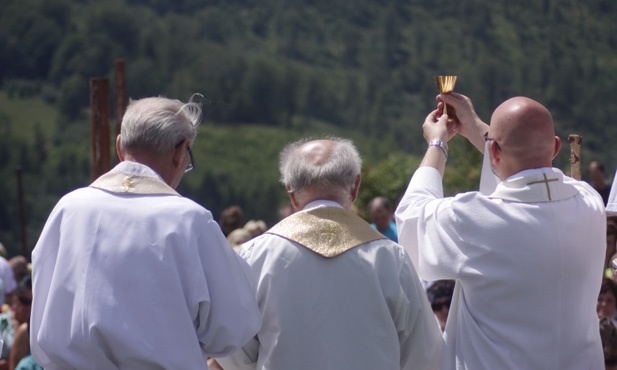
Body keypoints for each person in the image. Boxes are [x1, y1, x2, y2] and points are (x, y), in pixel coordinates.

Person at [30, 96, 260, 369]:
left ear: (119, 146)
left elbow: (42, 307)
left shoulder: (67, 208)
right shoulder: (190, 221)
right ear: (181, 151)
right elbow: (232, 329)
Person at [396, 93, 606, 369]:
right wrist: (477, 128)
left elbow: (411, 219)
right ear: (556, 148)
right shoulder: (590, 204)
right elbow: (534, 167)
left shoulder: (474, 218)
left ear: (493, 151)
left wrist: (438, 144)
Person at [217, 137, 442, 370]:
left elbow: (232, 346)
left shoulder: (254, 256)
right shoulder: (392, 259)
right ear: (355, 187)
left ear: (291, 194)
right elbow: (425, 354)